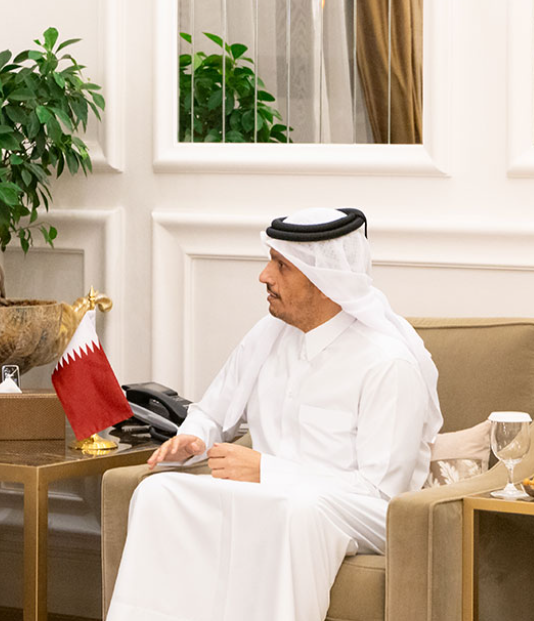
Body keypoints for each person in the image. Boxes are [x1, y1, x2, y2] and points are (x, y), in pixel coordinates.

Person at [107, 207, 442, 621]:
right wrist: (193, 439)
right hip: (270, 494)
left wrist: (267, 471)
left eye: (281, 265)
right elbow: (212, 412)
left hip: (362, 511)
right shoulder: (266, 336)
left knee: (296, 511)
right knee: (158, 493)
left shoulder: (387, 363)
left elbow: (380, 494)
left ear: (324, 281)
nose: (264, 276)